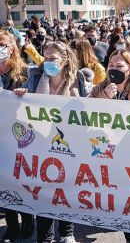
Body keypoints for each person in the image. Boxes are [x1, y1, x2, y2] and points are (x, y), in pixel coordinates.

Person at [14, 41, 93, 243]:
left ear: (65, 60)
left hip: (70, 142)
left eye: (53, 59)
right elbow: (26, 103)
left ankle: (67, 233)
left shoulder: (79, 78)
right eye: (46, 58)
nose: (48, 62)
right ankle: (45, 236)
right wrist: (22, 95)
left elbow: (88, 105)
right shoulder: (36, 76)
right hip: (41, 141)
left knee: (66, 187)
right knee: (44, 188)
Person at [0, 31, 34, 242]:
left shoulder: (24, 72)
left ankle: (28, 221)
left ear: (12, 47)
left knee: (20, 181)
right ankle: (11, 224)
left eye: (3, 44)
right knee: (3, 182)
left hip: (20, 136)